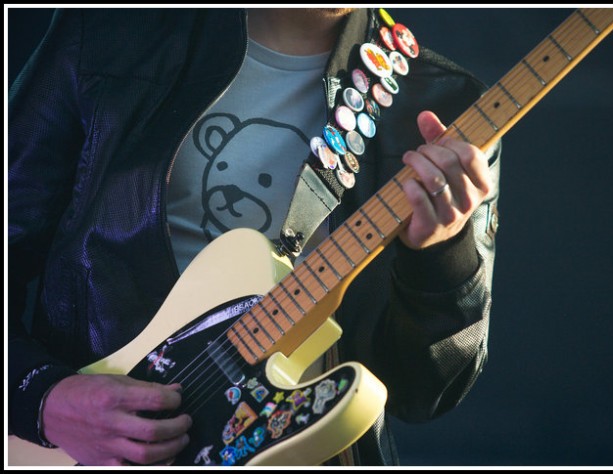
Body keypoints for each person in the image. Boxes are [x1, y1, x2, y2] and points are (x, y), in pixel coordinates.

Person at [8, 7, 501, 466]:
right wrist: (42, 399)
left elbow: (424, 392)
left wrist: (440, 253)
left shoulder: (444, 107)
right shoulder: (108, 33)